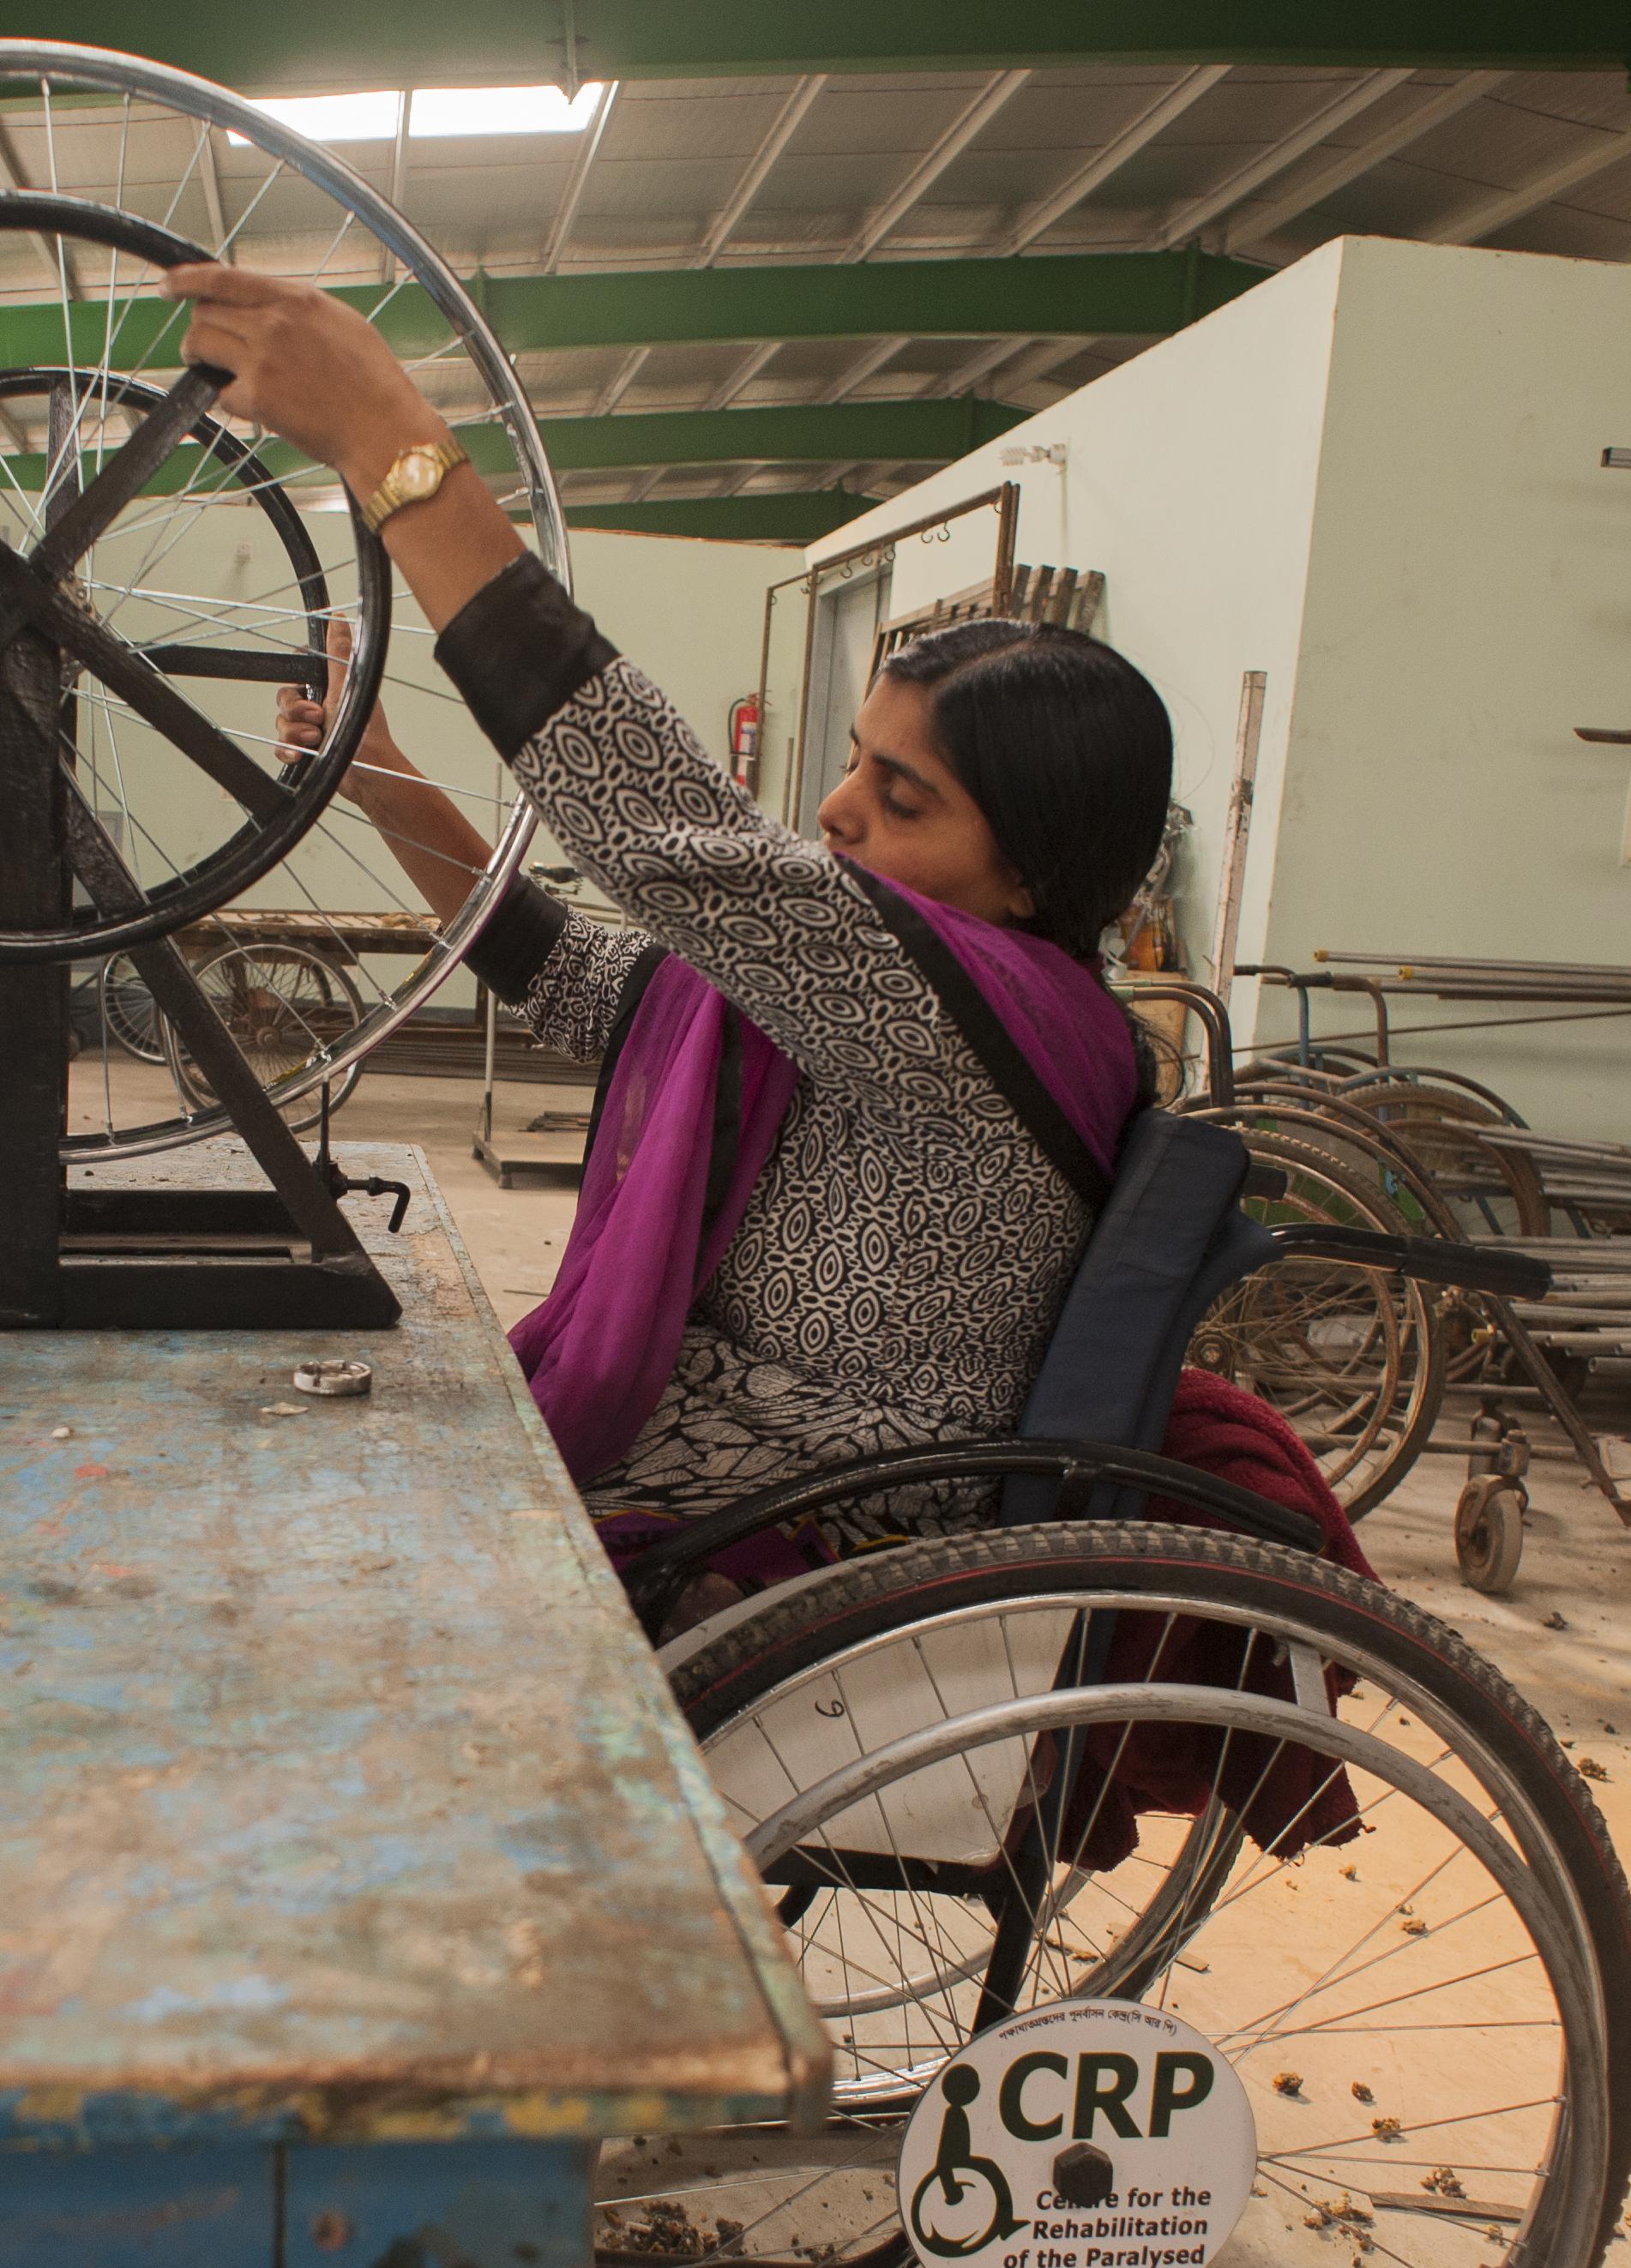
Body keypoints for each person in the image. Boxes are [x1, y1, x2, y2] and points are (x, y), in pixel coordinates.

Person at [164, 267, 1363, 1628]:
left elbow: (662, 832)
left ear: (1031, 875)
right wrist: (383, 782)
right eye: (856, 762)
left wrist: (392, 446)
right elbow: (574, 978)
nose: (838, 809)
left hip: (820, 1506)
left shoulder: (968, 1008)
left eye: (901, 798)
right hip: (735, 1446)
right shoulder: (897, 1006)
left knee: (322, 1552)